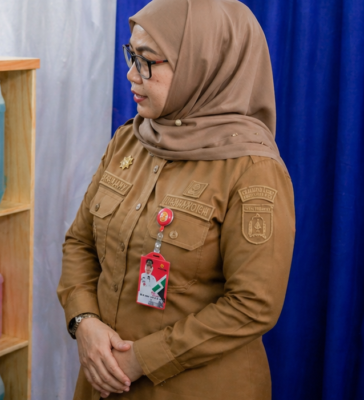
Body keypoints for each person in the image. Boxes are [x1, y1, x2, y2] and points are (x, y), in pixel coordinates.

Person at [57, 0, 295, 399]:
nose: (131, 74)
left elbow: (253, 304)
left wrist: (141, 359)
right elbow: (80, 242)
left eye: (147, 61)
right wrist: (84, 322)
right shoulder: (129, 140)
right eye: (132, 55)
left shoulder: (251, 167)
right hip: (105, 382)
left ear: (202, 65)